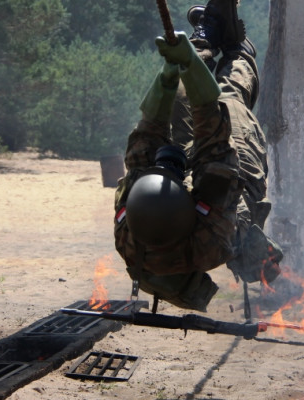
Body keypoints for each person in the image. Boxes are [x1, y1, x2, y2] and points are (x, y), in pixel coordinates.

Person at [113, 0, 281, 312]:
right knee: (230, 101)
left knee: (177, 92)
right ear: (191, 209)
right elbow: (214, 139)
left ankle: (206, 36)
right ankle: (238, 49)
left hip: (198, 194)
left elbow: (144, 140)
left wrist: (171, 73)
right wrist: (192, 66)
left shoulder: (129, 227)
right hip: (236, 188)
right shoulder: (209, 242)